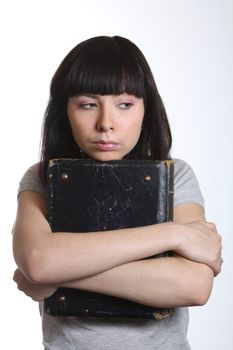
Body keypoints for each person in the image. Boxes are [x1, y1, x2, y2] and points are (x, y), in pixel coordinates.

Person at [12, 35, 222, 350]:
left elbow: (193, 286)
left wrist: (59, 274)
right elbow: (39, 261)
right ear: (65, 110)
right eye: (88, 104)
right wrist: (174, 234)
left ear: (145, 109)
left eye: (124, 104)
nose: (106, 123)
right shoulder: (41, 178)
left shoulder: (175, 176)